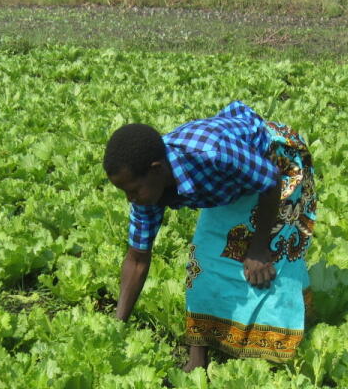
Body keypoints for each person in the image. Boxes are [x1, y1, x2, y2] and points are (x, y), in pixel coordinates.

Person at [105, 101, 317, 371]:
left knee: (272, 258)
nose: (130, 199)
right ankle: (198, 358)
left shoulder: (212, 152)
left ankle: (275, 353)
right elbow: (137, 259)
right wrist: (116, 326)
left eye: (133, 190)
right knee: (203, 261)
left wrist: (258, 247)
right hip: (229, 182)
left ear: (157, 169)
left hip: (277, 166)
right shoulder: (147, 192)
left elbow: (269, 179)